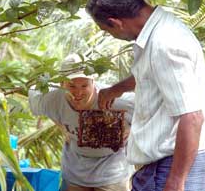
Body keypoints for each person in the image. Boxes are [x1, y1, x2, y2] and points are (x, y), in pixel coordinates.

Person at [86, 0, 205, 191]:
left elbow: (192, 118)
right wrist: (118, 88)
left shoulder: (164, 43)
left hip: (173, 168)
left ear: (115, 23)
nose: (110, 35)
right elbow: (154, 74)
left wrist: (175, 182)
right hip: (166, 167)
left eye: (106, 30)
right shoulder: (159, 31)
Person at [28, 53, 134, 191]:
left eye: (84, 86)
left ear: (93, 83)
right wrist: (60, 124)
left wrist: (132, 129)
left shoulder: (115, 99)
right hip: (75, 171)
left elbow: (153, 108)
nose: (78, 93)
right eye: (72, 86)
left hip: (113, 171)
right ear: (61, 84)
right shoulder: (51, 99)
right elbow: (31, 93)